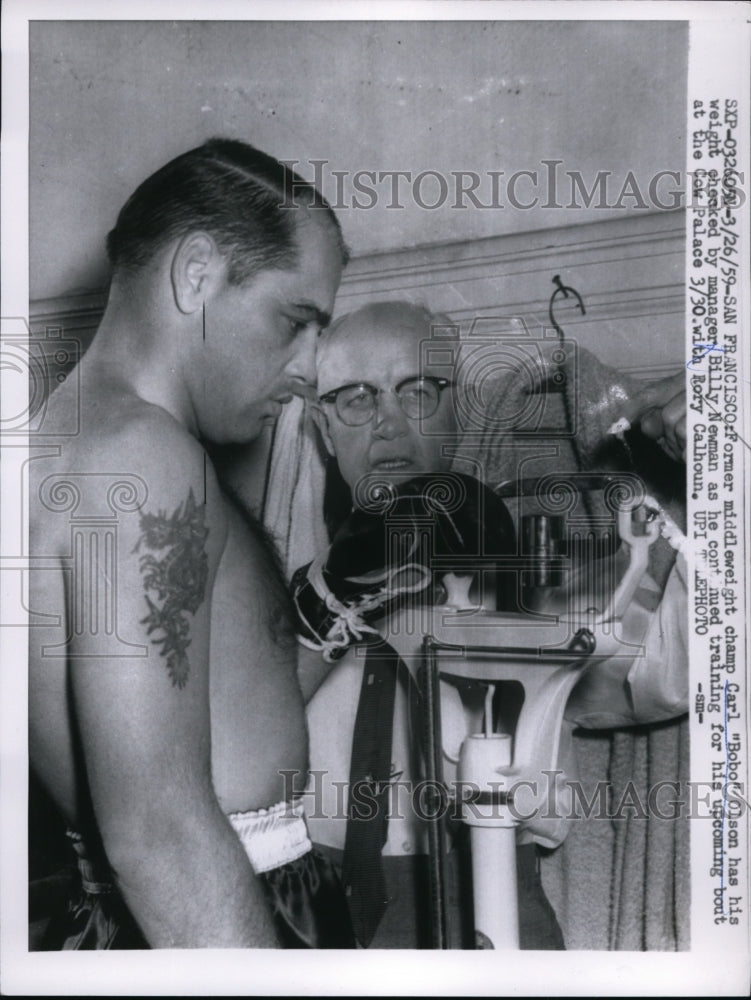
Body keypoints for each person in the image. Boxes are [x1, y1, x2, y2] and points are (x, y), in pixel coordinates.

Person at [28, 138, 356, 949]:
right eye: (296, 320)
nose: (310, 367)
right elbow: (159, 832)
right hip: (220, 905)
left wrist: (341, 596)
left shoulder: (72, 437)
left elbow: (221, 703)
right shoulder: (141, 458)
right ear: (197, 270)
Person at [293, 300, 689, 950]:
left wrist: (728, 475)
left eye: (417, 391)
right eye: (355, 399)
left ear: (460, 411)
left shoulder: (531, 585)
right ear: (321, 428)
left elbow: (677, 664)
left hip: (493, 918)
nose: (388, 423)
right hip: (313, 927)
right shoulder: (280, 609)